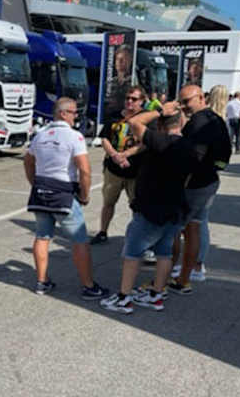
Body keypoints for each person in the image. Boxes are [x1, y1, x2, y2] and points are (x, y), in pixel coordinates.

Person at [100, 104, 200, 313]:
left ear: (161, 125)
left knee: (132, 252)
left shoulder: (160, 141)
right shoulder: (189, 147)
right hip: (174, 207)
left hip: (151, 207)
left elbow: (134, 122)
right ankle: (156, 295)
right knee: (164, 253)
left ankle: (124, 298)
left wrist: (159, 111)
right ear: (181, 122)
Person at [24, 97, 109, 299]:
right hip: (63, 193)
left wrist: (34, 183)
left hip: (41, 191)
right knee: (80, 241)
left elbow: (28, 162)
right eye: (73, 112)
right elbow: (85, 170)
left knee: (42, 236)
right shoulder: (74, 137)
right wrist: (85, 195)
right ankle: (89, 286)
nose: (76, 115)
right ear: (62, 113)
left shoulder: (40, 135)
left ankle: (42, 282)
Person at [168, 85, 231, 295]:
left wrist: (183, 177)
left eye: (187, 101)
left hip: (194, 185)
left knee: (174, 229)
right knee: (193, 227)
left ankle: (166, 276)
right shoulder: (216, 119)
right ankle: (185, 277)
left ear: (201, 98)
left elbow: (192, 157)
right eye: (182, 102)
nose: (184, 106)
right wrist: (213, 169)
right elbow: (225, 156)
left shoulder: (199, 122)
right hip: (209, 182)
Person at [90, 85, 147, 245]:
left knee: (137, 206)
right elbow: (105, 138)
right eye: (128, 98)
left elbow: (145, 143)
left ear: (142, 101)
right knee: (108, 202)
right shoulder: (114, 116)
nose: (129, 101)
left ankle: (138, 237)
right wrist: (115, 155)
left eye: (134, 99)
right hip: (113, 170)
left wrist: (125, 155)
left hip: (136, 171)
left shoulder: (146, 119)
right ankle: (102, 232)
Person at [104, 44, 133, 120]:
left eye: (123, 59)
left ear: (129, 61)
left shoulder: (132, 82)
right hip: (110, 117)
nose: (120, 62)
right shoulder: (110, 82)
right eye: (118, 59)